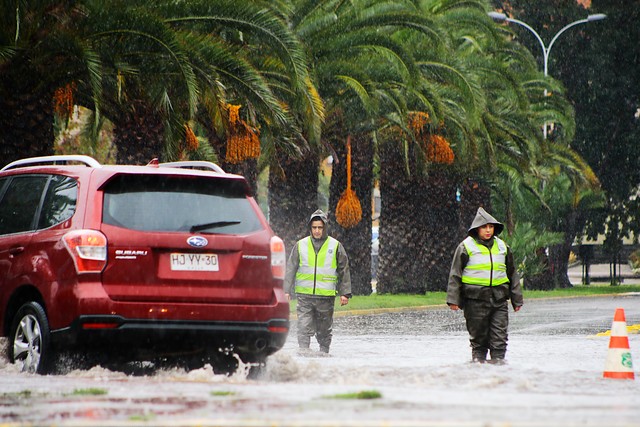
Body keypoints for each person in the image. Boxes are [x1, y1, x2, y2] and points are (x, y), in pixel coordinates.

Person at [446, 207, 523, 364]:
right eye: (484, 227)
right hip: (474, 300)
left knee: (500, 339)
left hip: (499, 299)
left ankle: (498, 370)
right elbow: (455, 274)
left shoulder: (502, 247)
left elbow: (512, 273)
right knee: (479, 340)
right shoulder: (466, 247)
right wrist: (453, 299)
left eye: (491, 227)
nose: (488, 230)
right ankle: (479, 370)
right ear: (477, 229)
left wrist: (517, 299)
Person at [284, 209, 351, 355]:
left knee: (324, 329)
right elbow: (291, 268)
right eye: (314, 227)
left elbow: (343, 270)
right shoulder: (300, 245)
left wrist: (345, 293)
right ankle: (304, 354)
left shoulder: (335, 246)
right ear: (310, 228)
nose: (317, 231)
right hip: (304, 296)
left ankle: (324, 354)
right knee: (303, 326)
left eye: (320, 228)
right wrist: (286, 290)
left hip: (325, 297)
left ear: (325, 228)